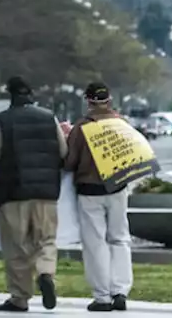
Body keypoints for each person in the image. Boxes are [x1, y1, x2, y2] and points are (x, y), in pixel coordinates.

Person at [0, 77, 66, 312]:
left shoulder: (3, 120)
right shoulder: (48, 117)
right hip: (46, 191)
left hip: (13, 192)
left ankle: (20, 297)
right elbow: (63, 150)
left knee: (17, 246)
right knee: (46, 239)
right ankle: (45, 272)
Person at [66, 82, 134, 312]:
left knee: (95, 243)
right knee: (120, 238)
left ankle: (102, 296)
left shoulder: (82, 127)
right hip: (118, 188)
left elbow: (69, 162)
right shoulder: (122, 124)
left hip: (89, 190)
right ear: (109, 99)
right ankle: (121, 290)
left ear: (88, 100)